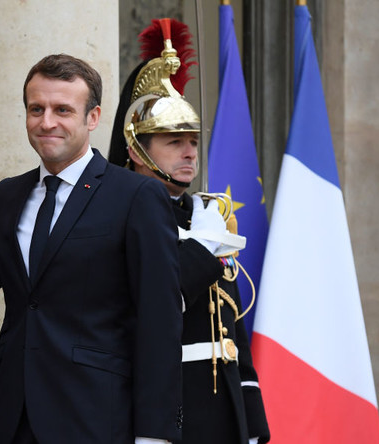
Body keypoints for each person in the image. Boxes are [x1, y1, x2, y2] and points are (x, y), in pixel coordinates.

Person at [0, 54, 183, 444]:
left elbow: (160, 322)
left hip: (96, 419)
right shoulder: (10, 193)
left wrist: (155, 434)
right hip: (14, 419)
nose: (46, 122)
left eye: (62, 110)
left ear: (93, 118)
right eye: (36, 109)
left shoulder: (136, 195)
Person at [107, 19, 270, 444]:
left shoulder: (205, 214)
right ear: (136, 149)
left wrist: (252, 426)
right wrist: (201, 248)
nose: (190, 151)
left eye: (193, 140)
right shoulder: (119, 218)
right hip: (168, 415)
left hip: (225, 417)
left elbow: (231, 332)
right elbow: (151, 308)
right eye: (173, 140)